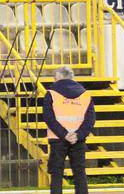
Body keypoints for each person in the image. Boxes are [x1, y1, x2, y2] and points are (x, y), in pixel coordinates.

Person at [43, 65, 95, 194]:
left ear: (59, 77)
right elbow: (90, 120)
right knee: (79, 173)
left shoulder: (51, 94)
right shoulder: (85, 95)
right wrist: (77, 135)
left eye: (54, 78)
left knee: (56, 174)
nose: (53, 80)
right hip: (78, 140)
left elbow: (48, 118)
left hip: (57, 139)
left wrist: (64, 134)